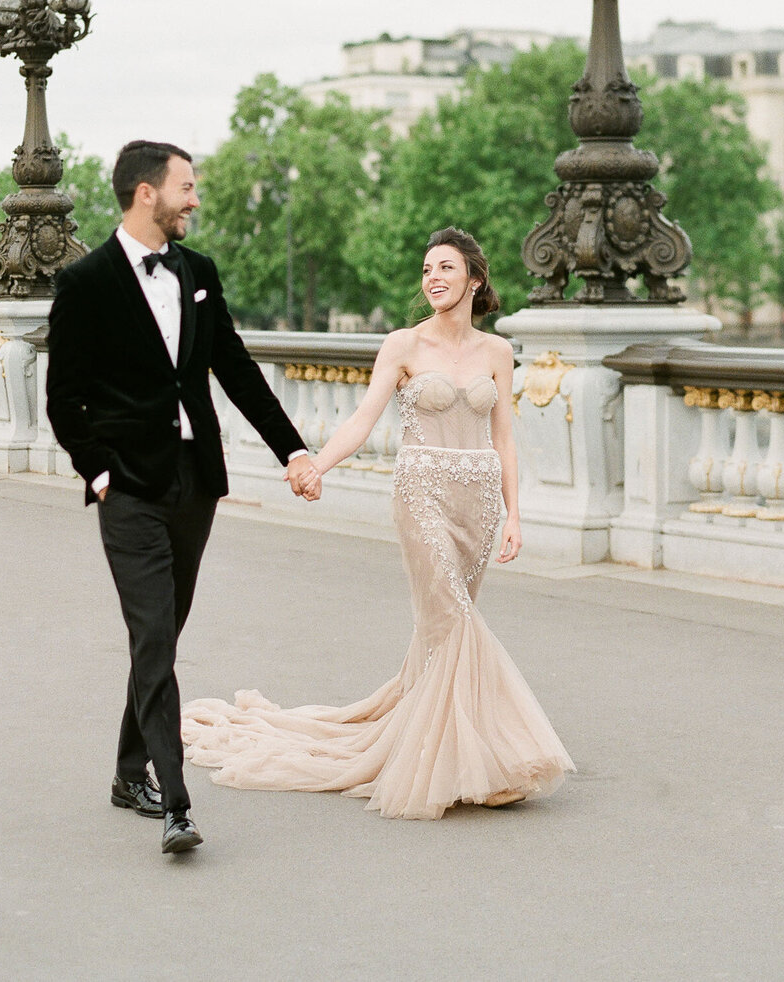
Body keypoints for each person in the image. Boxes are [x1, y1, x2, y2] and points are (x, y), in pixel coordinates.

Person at [182, 227, 575, 820]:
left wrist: (514, 512)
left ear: (474, 279)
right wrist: (315, 464)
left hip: (479, 499)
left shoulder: (498, 352)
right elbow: (364, 419)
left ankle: (441, 749)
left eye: (445, 267)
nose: (433, 278)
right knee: (454, 617)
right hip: (422, 493)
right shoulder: (403, 345)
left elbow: (505, 439)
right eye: (425, 270)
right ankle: (490, 759)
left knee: (442, 632)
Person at [46, 140, 320, 854]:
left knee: (162, 633)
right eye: (187, 187)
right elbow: (62, 399)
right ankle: (176, 804)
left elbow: (234, 368)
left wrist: (291, 448)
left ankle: (127, 771)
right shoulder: (85, 283)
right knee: (156, 638)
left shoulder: (198, 272)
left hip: (195, 483)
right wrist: (99, 472)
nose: (195, 199)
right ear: (147, 193)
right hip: (128, 489)